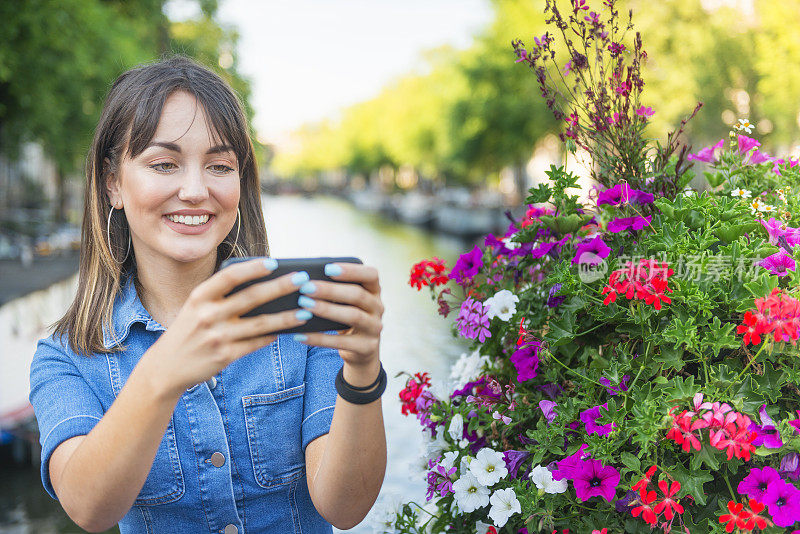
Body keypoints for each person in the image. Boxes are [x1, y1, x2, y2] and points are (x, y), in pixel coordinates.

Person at [28, 55, 387, 533]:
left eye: (219, 165)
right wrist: (164, 369)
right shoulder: (66, 357)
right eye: (164, 164)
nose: (196, 190)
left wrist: (363, 373)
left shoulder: (306, 318)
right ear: (113, 182)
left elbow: (345, 509)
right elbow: (88, 508)